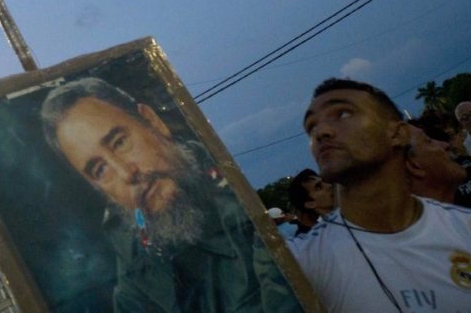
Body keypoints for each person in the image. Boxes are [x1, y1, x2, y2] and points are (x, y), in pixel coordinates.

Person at [41, 77, 299, 312]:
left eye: (120, 142)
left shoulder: (247, 205)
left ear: (153, 121)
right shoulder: (135, 278)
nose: (126, 173)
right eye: (100, 169)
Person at [289, 79, 471, 312]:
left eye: (343, 114)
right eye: (311, 126)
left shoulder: (466, 229)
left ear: (397, 133)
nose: (321, 132)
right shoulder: (302, 263)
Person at [287, 168, 335, 235]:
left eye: (324, 181)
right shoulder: (322, 237)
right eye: (318, 188)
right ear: (310, 204)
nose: (329, 186)